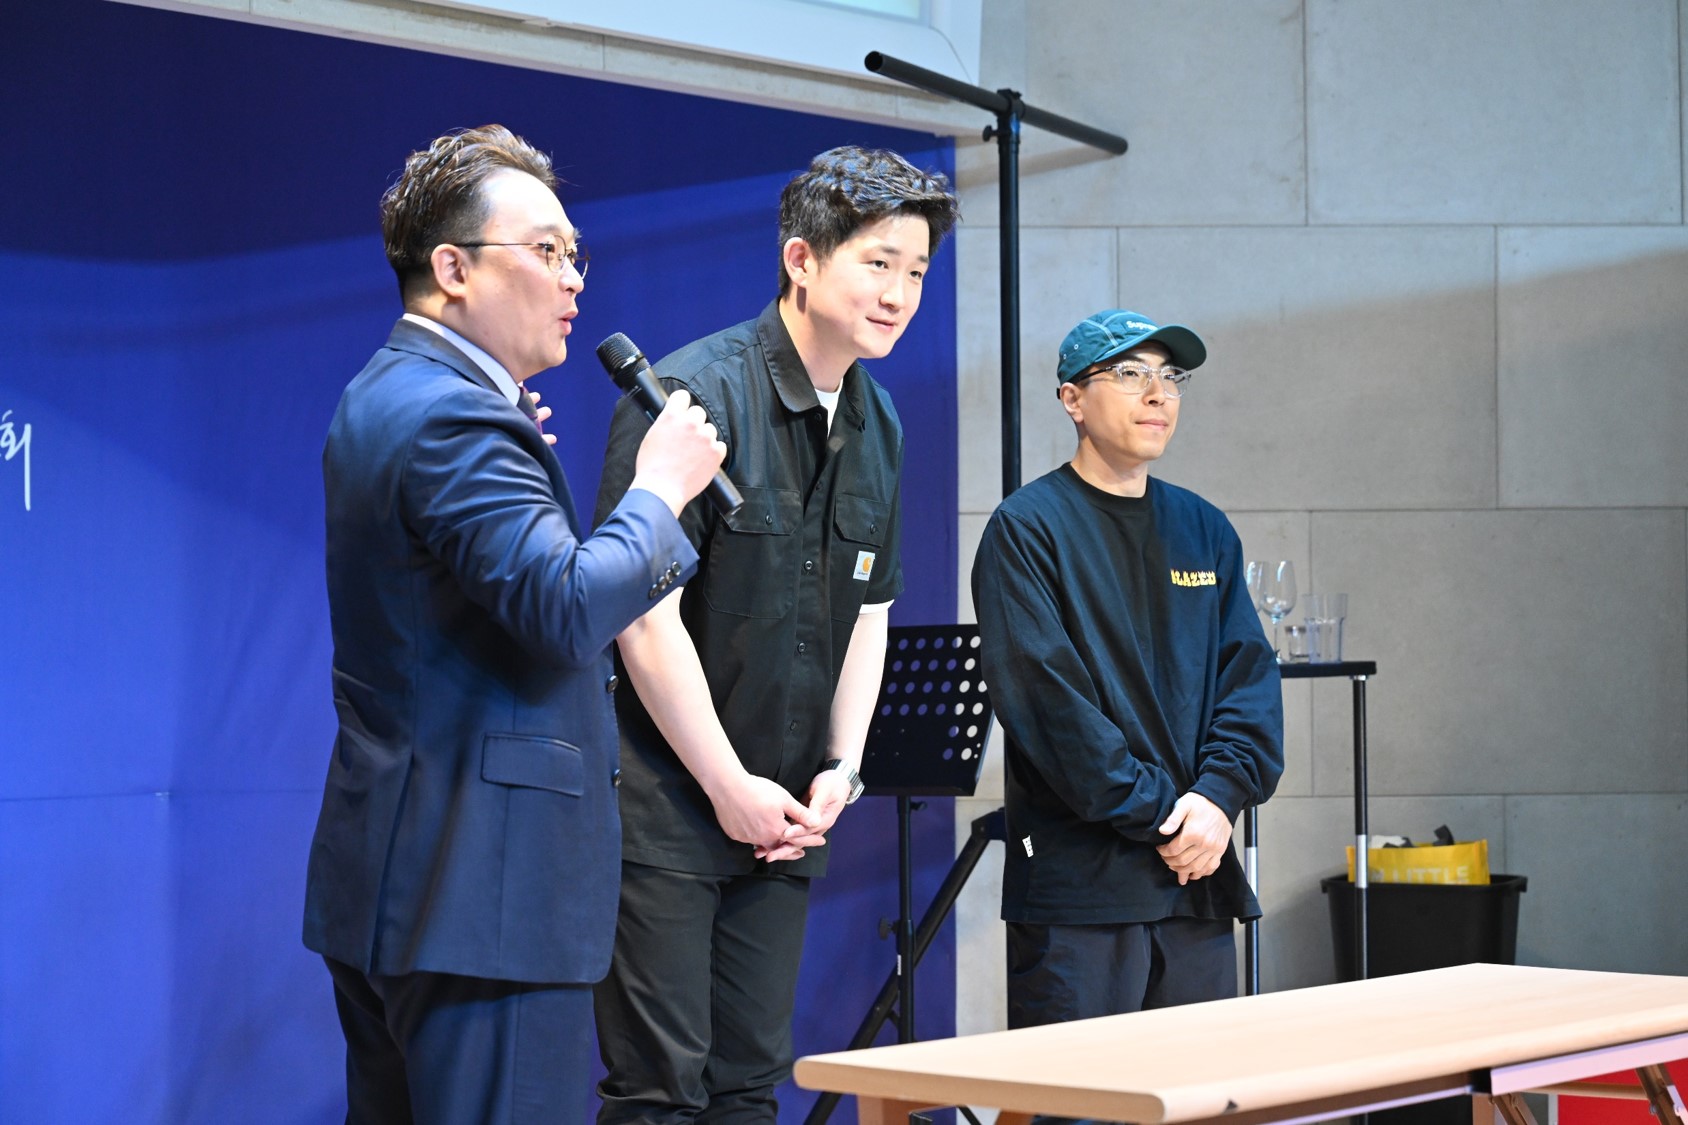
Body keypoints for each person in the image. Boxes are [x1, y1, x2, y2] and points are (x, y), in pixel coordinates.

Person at [301, 124, 726, 1124]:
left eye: (576, 252)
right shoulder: (453, 416)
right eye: (545, 250)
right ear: (453, 269)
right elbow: (567, 609)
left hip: (407, 883)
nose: (572, 276)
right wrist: (659, 491)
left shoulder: (391, 390)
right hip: (482, 897)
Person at [590, 146, 959, 1122]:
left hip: (784, 815)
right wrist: (726, 785)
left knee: (750, 1086)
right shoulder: (691, 395)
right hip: (666, 808)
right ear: (801, 259)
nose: (900, 293)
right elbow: (641, 616)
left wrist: (844, 764)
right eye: (877, 263)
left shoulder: (878, 421)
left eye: (917, 271)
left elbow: (870, 608)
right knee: (659, 1092)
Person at [971, 310, 1284, 1062]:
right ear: (1072, 399)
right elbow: (1051, 708)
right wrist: (1169, 818)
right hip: (1084, 891)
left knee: (1201, 1097)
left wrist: (1218, 799)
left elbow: (1248, 682)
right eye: (1130, 374)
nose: (1158, 394)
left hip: (1194, 880)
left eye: (1170, 377)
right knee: (1081, 1103)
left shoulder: (1203, 528)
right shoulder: (1027, 528)